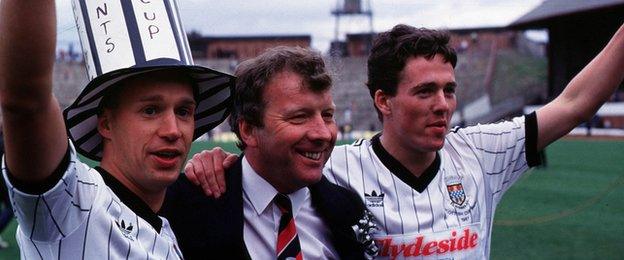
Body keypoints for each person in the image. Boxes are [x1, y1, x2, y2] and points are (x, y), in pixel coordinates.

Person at [189, 23, 624, 259]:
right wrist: (217, 160)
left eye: (449, 90)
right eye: (424, 92)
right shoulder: (336, 172)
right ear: (383, 100)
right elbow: (272, 163)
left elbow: (575, 103)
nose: (443, 105)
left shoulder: (481, 151)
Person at [0, 1, 233, 259]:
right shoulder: (72, 204)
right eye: (151, 110)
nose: (173, 130)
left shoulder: (168, 230)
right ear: (106, 124)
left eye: (183, 111)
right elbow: (26, 101)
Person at [160, 46, 377, 260]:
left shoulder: (347, 209)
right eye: (299, 117)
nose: (323, 133)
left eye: (328, 115)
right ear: (249, 130)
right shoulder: (183, 207)